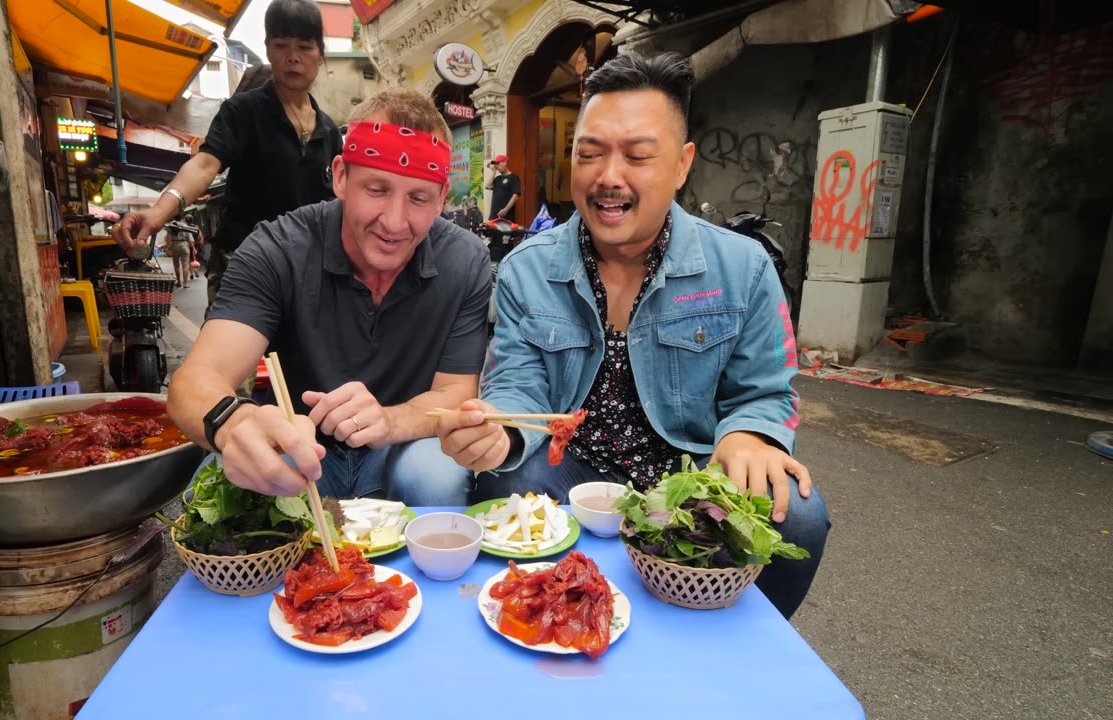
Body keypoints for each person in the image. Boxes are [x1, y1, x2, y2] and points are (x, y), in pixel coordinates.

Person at [435, 52, 829, 619]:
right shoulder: (526, 267)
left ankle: (725, 651)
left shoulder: (743, 268)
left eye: (638, 156)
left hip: (689, 472)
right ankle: (543, 624)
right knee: (508, 479)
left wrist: (750, 435)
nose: (608, 177)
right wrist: (499, 433)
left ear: (682, 164)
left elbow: (768, 391)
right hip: (571, 465)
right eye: (589, 154)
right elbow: (517, 385)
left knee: (799, 513)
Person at [167, 88, 492, 507]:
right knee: (213, 489)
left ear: (442, 199)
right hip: (300, 452)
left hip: (400, 448)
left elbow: (455, 394)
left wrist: (387, 421)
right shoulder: (277, 248)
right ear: (340, 176)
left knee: (438, 476)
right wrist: (237, 424)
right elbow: (194, 381)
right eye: (376, 189)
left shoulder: (465, 261)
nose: (394, 223)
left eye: (418, 198)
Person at [110, 0, 342, 306]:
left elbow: (339, 203)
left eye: (305, 47)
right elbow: (205, 166)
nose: (293, 58)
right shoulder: (242, 111)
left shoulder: (329, 132)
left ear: (320, 55)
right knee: (234, 353)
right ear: (268, 50)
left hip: (306, 271)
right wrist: (158, 212)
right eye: (281, 45)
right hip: (244, 262)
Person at [484, 155, 520, 223]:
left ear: (505, 163)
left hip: (506, 217)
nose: (496, 166)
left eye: (498, 163)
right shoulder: (497, 179)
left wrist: (506, 209)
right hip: (494, 217)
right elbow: (487, 186)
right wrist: (493, 172)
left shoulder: (514, 177)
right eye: (495, 164)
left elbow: (515, 196)